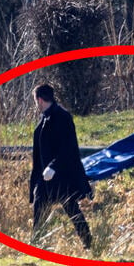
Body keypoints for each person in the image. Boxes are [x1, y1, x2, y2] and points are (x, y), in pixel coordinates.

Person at [30, 83, 94, 249]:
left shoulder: (62, 117)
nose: (36, 104)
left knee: (72, 210)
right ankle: (37, 245)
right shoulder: (45, 118)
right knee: (39, 209)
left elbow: (69, 147)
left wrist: (53, 166)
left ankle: (89, 243)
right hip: (45, 178)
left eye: (35, 101)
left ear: (40, 99)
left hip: (63, 175)